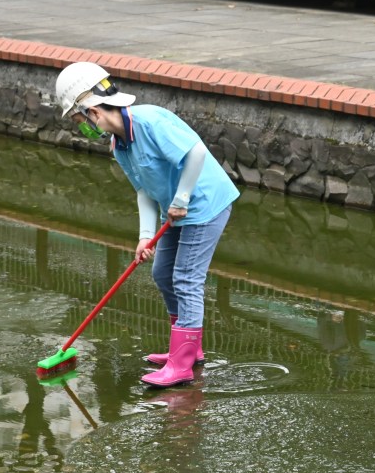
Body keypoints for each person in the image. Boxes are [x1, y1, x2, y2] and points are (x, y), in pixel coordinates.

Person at [54, 62, 239, 388]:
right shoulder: (119, 144)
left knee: (186, 279)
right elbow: (144, 189)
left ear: (93, 110)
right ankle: (188, 350)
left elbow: (195, 152)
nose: (81, 127)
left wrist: (182, 198)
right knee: (161, 273)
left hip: (204, 205)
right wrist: (145, 237)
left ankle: (181, 365)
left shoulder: (149, 121)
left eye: (78, 120)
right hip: (175, 210)